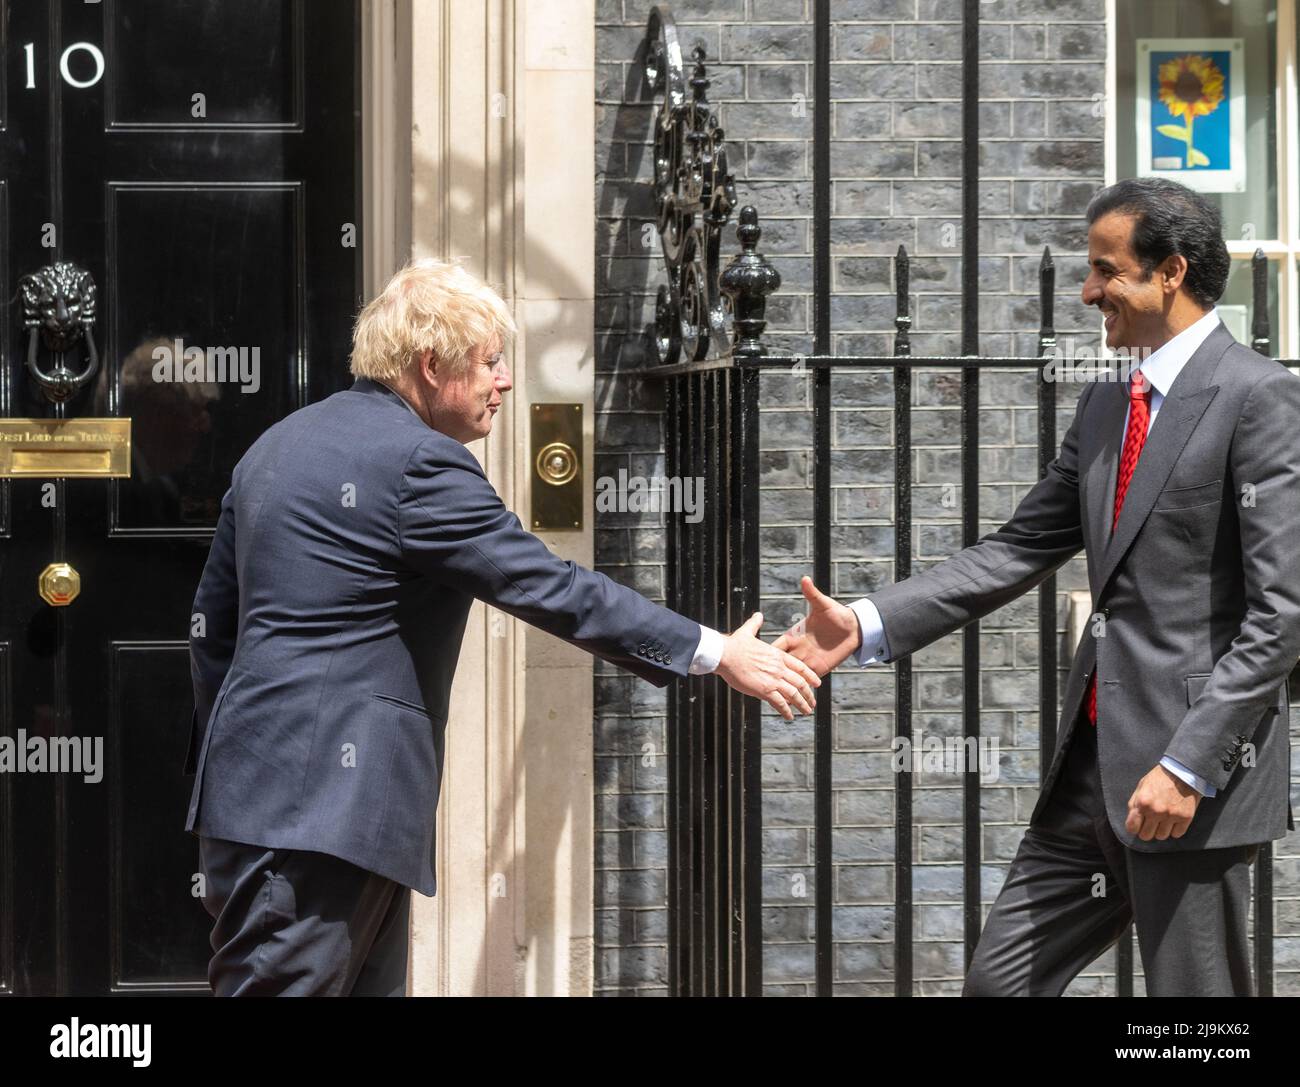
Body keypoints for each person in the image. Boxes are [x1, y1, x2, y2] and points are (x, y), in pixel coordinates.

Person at [183, 258, 820, 996]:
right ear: (430, 365)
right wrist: (713, 651)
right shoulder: (419, 462)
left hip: (274, 807)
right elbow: (553, 587)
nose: (505, 380)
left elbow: (211, 633)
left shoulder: (276, 444)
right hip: (326, 815)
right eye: (489, 361)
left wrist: (236, 770)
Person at [778, 177, 1300, 997]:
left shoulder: (1259, 397)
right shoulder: (1106, 405)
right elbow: (1017, 548)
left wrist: (1191, 766)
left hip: (1187, 777)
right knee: (999, 985)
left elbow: (1282, 614)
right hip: (1088, 776)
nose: (1089, 291)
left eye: (1105, 269)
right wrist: (867, 620)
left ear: (1169, 271)